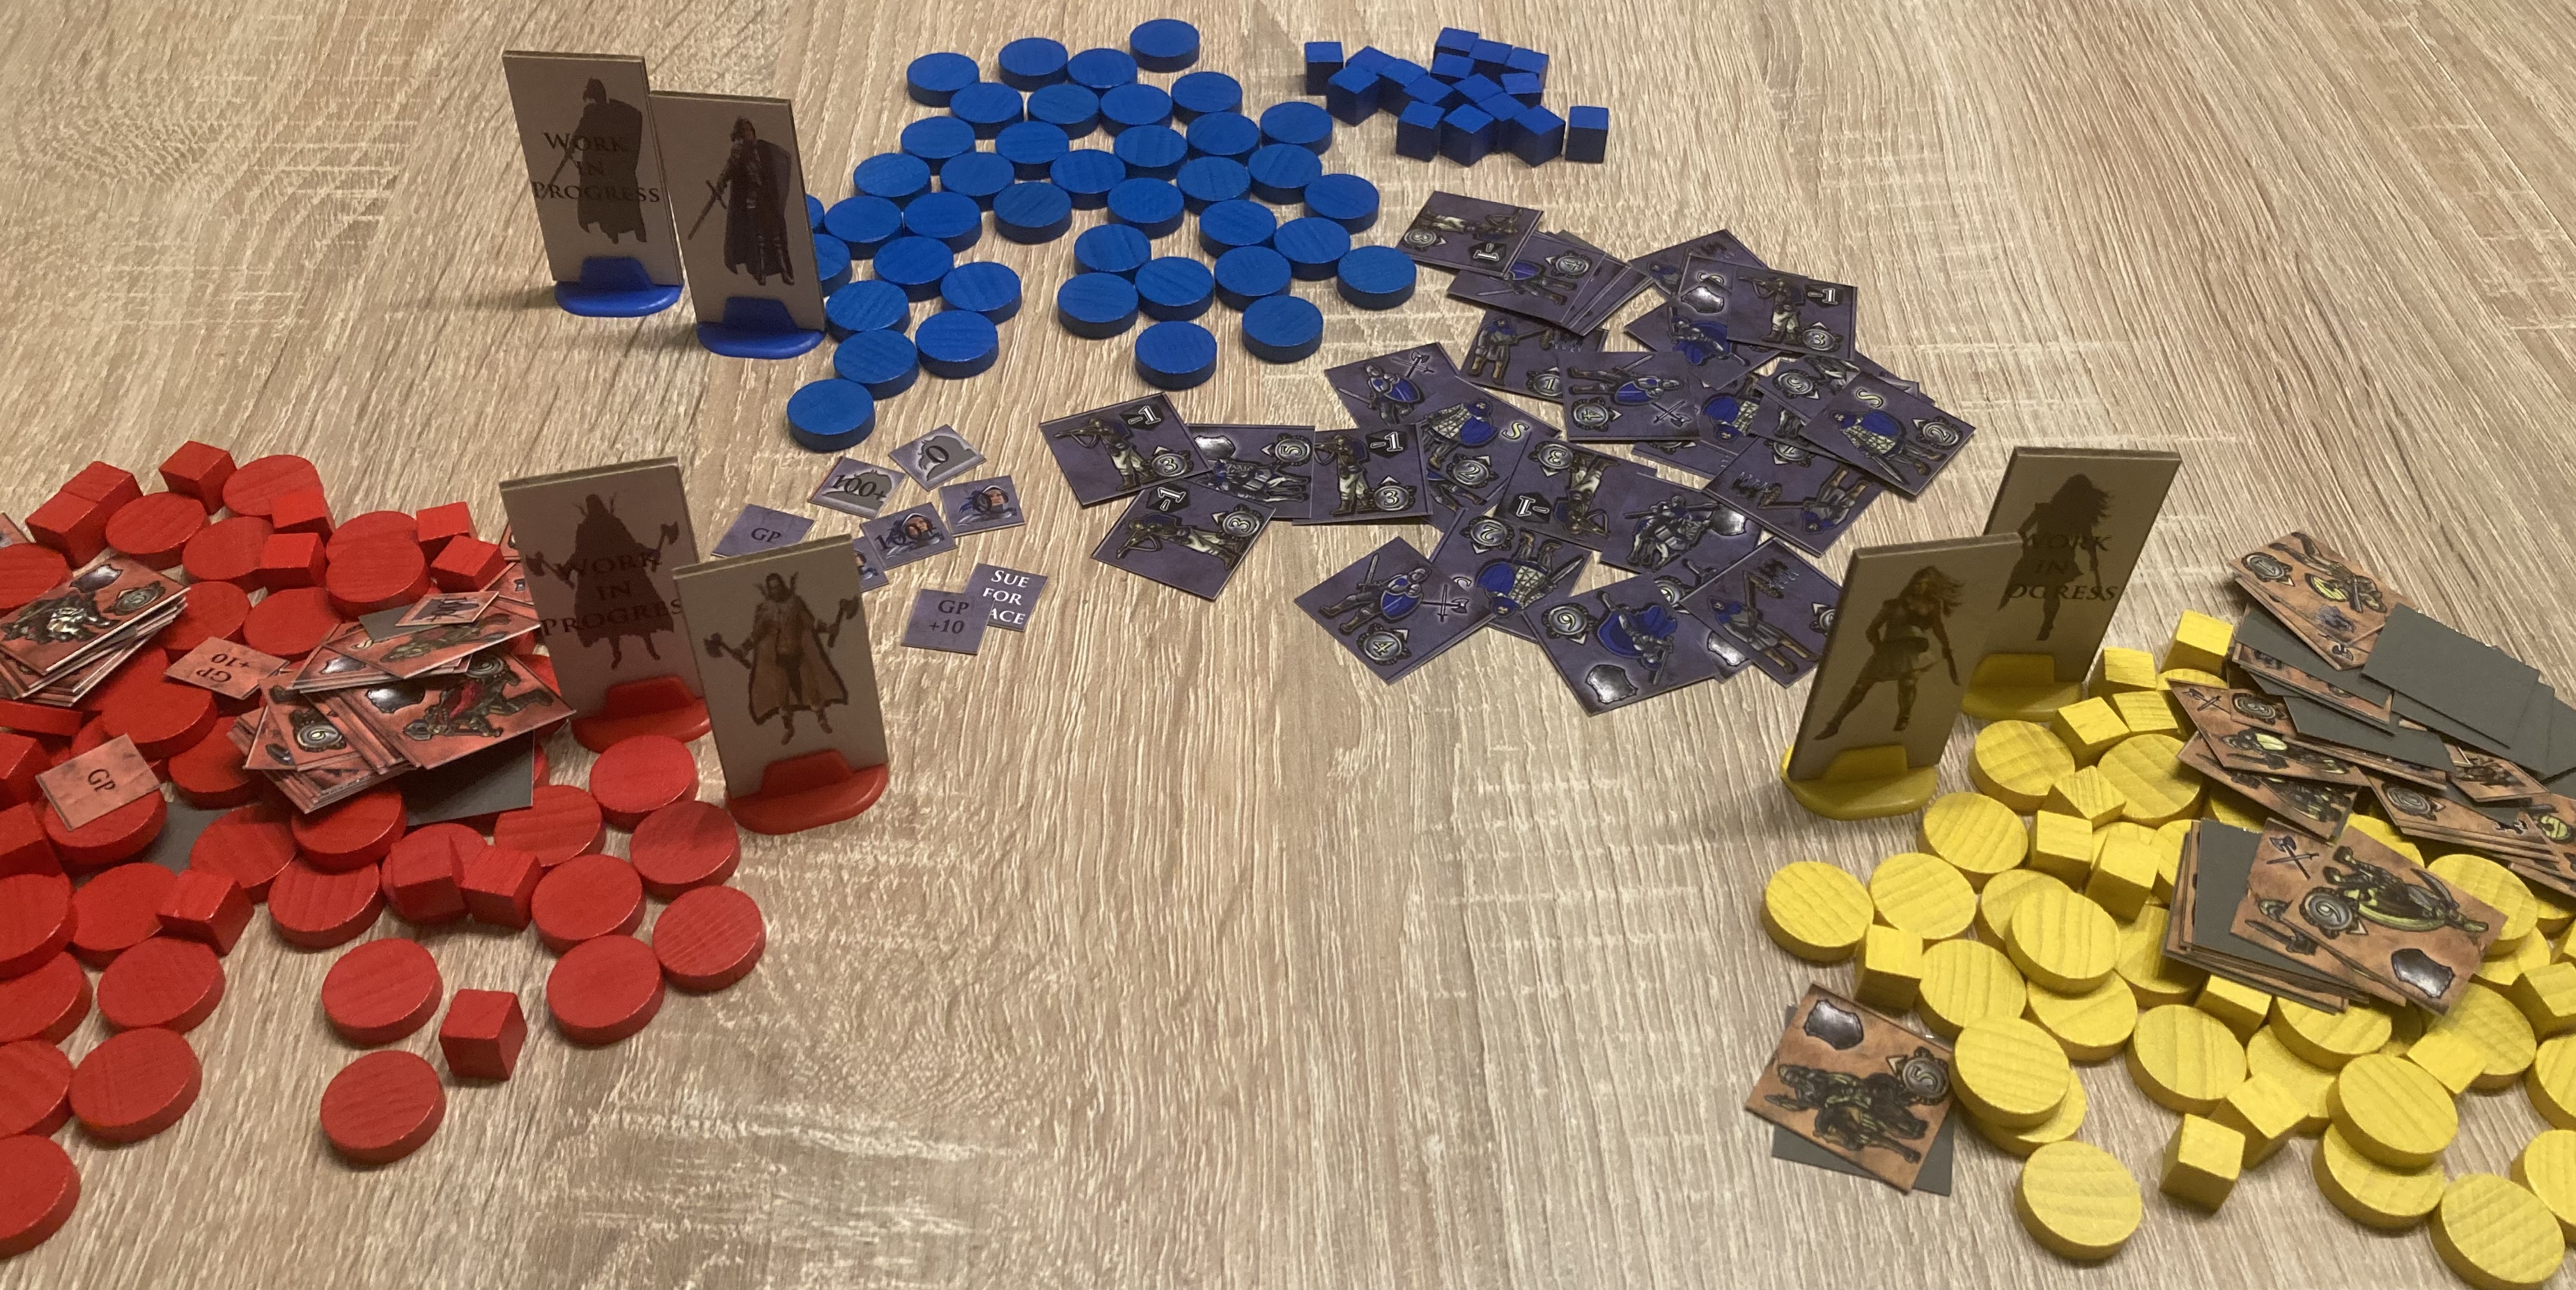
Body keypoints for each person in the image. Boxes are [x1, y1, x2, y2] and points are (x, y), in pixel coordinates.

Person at [1815, 566, 1964, 738]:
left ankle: (1904, 717)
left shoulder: (1932, 606)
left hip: (1913, 652)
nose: (1918, 587)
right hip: (1888, 650)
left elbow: (1938, 627)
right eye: (1917, 583)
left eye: (1923, 584)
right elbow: (1872, 630)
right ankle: (1835, 724)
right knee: (1859, 688)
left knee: (1908, 684)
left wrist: (1946, 646)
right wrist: (1878, 647)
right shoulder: (1893, 605)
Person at [704, 573, 855, 743]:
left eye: (778, 586)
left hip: (798, 656)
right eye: (772, 588)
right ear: (769, 590)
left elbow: (810, 624)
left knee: (812, 689)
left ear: (782, 586)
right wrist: (742, 650)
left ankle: (822, 721)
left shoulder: (795, 605)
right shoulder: (766, 611)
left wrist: (828, 629)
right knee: (782, 696)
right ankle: (789, 728)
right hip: (781, 660)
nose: (776, 590)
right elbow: (756, 635)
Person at [710, 118, 795, 284]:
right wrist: (721, 183)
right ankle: (761, 274)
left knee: (776, 237)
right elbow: (729, 169)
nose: (748, 133)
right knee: (759, 238)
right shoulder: (739, 150)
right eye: (745, 130)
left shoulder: (761, 148)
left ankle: (784, 273)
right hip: (753, 199)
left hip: (767, 197)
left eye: (750, 130)